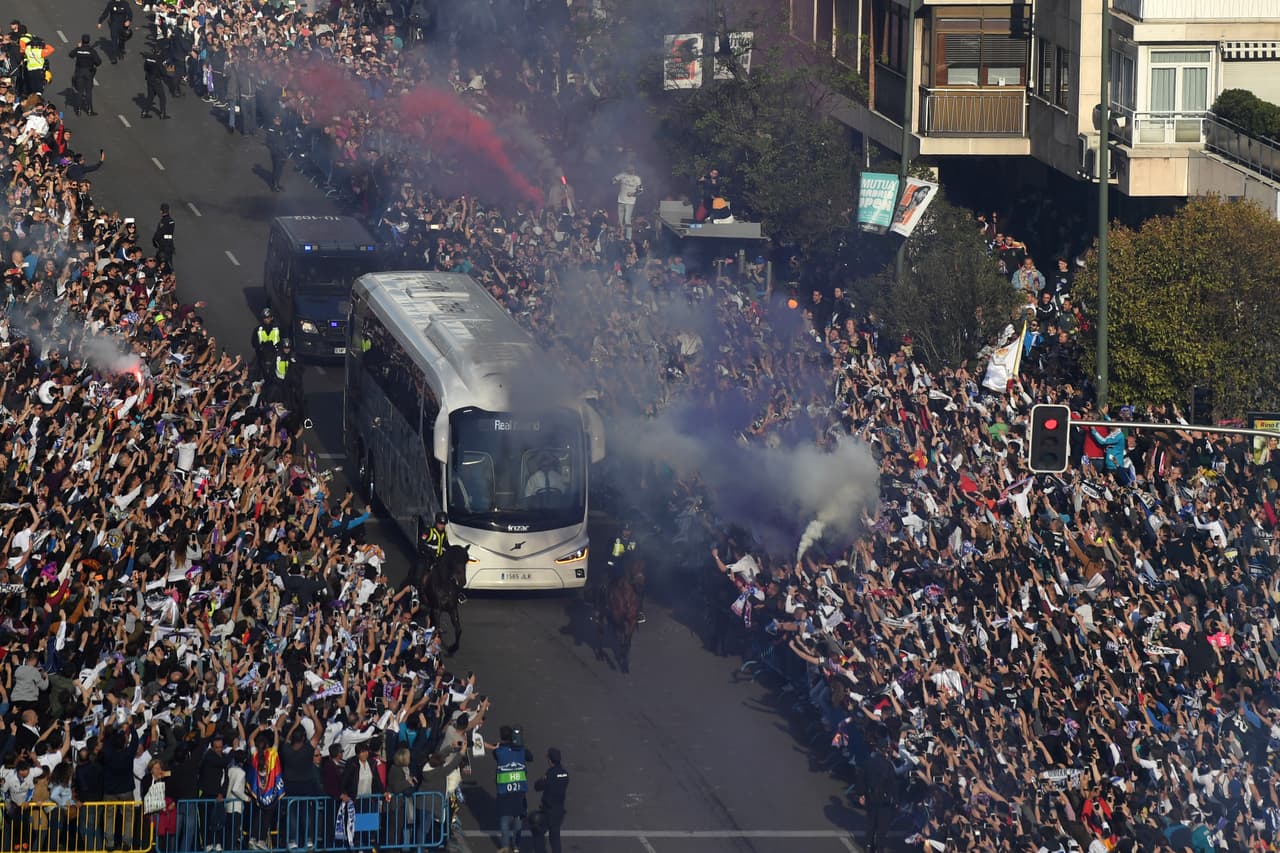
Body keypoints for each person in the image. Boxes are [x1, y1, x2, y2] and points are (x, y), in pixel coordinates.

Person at [486, 727, 533, 853]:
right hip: (519, 790)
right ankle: (516, 845)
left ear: (501, 737)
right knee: (518, 818)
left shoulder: (499, 751)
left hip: (504, 791)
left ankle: (505, 846)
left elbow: (495, 753)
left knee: (504, 819)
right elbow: (530, 757)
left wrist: (500, 745)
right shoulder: (522, 750)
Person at [856, 741, 897, 853]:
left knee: (871, 824)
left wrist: (861, 794)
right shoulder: (888, 765)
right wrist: (896, 801)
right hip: (885, 800)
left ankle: (868, 846)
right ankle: (879, 848)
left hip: (871, 797)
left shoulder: (868, 762)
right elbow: (893, 784)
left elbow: (861, 779)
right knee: (882, 828)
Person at [529, 747, 568, 853]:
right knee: (555, 839)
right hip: (559, 810)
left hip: (549, 810)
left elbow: (537, 786)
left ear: (550, 760)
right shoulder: (565, 774)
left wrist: (543, 778)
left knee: (537, 829)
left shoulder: (550, 774)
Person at [68, 35, 100, 116]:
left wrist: (77, 47)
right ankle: (89, 110)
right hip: (88, 72)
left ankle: (78, 110)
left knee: (80, 91)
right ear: (89, 41)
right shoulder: (91, 51)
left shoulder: (79, 50)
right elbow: (98, 62)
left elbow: (71, 55)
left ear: (81, 41)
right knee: (88, 92)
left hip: (79, 72)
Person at [612, 162, 642, 239]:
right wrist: (615, 181)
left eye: (632, 168)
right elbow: (613, 180)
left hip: (630, 202)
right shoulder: (622, 175)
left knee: (627, 220)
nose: (630, 169)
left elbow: (640, 190)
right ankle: (620, 235)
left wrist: (632, 194)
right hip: (621, 200)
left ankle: (628, 237)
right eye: (629, 167)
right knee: (620, 220)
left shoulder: (637, 179)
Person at [252, 307, 281, 378]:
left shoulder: (278, 329)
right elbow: (253, 342)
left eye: (268, 318)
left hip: (275, 353)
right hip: (262, 353)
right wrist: (259, 347)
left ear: (272, 318)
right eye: (265, 318)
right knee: (255, 370)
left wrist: (278, 348)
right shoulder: (257, 329)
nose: (267, 320)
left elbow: (282, 341)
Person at [142, 49, 170, 119]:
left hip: (149, 79)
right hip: (156, 80)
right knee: (162, 97)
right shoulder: (159, 60)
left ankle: (144, 112)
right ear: (159, 52)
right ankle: (162, 114)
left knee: (150, 96)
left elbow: (145, 68)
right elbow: (163, 71)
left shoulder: (148, 59)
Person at [265, 113, 289, 192]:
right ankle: (274, 185)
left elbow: (283, 141)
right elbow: (269, 142)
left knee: (279, 169)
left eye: (279, 120)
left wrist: (284, 152)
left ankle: (277, 184)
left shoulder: (281, 128)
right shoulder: (272, 129)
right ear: (274, 120)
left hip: (282, 152)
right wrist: (274, 150)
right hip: (276, 153)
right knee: (277, 169)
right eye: (276, 120)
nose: (278, 121)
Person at [152, 202, 175, 268]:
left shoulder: (163, 221)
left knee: (159, 260)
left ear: (161, 211)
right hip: (170, 243)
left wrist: (154, 240)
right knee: (169, 261)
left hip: (163, 245)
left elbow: (159, 233)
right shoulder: (171, 221)